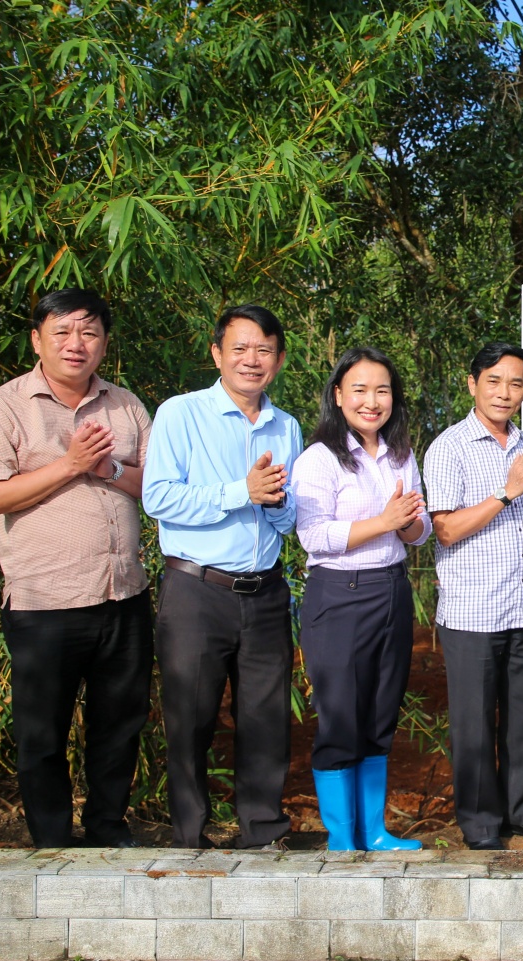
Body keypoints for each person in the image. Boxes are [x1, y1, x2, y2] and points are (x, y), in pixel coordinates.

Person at [0, 289, 152, 849]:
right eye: (63, 332)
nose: (76, 344)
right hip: (44, 602)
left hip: (123, 594)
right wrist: (70, 465)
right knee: (42, 731)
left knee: (120, 724)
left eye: (89, 333)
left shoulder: (126, 405)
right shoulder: (1, 407)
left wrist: (107, 466)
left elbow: (156, 489)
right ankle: (51, 841)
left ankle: (107, 829)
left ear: (104, 344)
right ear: (37, 340)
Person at [143, 304, 303, 849]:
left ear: (279, 360)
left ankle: (262, 831)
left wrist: (275, 501)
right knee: (190, 717)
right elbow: (158, 497)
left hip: (265, 590)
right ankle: (190, 834)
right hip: (197, 589)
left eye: (264, 349)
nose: (251, 359)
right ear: (216, 354)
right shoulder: (181, 413)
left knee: (266, 717)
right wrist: (243, 491)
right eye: (240, 348)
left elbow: (289, 519)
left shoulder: (287, 426)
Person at [424, 342, 523, 850]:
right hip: (473, 612)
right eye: (494, 381)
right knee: (473, 725)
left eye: (515, 384)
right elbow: (446, 529)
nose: (504, 393)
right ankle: (481, 824)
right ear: (473, 385)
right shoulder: (448, 447)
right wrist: (507, 492)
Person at [293, 346, 431, 851]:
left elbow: (419, 532)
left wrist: (409, 523)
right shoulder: (319, 458)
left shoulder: (400, 454)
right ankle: (342, 837)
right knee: (341, 716)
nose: (372, 401)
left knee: (379, 713)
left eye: (382, 391)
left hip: (391, 589)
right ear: (338, 395)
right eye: (360, 390)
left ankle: (374, 831)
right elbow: (313, 535)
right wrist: (384, 521)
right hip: (339, 596)